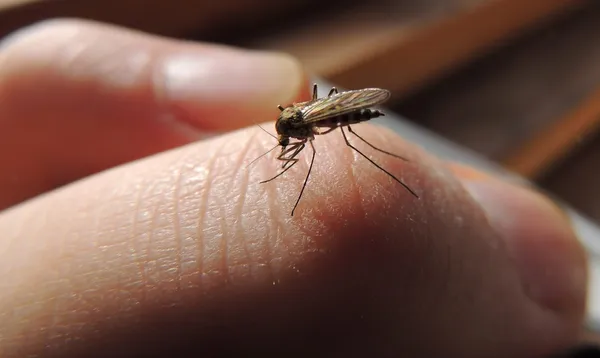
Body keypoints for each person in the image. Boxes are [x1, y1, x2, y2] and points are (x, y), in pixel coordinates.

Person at [0, 19, 590, 357]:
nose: (284, 137)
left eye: (287, 131)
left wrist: (301, 146)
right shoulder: (296, 120)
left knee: (355, 153)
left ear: (292, 122)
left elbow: (316, 130)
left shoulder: (304, 122)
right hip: (331, 109)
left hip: (348, 115)